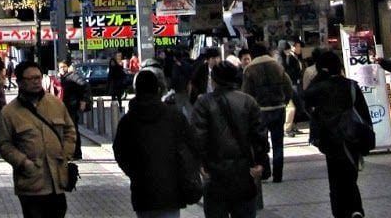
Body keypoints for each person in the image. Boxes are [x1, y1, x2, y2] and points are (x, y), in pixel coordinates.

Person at [114, 69, 203, 218]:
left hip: (142, 191)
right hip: (171, 190)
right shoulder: (174, 116)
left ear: (136, 90)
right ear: (158, 89)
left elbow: (120, 152)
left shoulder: (128, 121)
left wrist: (134, 173)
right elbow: (192, 146)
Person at [0, 61, 77, 218]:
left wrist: (65, 154)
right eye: (30, 78)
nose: (35, 82)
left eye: (38, 77)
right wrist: (23, 162)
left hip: (57, 180)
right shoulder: (9, 112)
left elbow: (70, 130)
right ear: (19, 82)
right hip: (31, 184)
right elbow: (4, 144)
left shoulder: (55, 103)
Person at [191, 61, 269, 218]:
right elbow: (259, 134)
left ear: (214, 80)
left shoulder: (203, 103)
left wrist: (200, 164)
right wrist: (261, 162)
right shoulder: (248, 101)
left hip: (215, 174)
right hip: (244, 172)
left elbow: (198, 137)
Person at [304, 49, 372, 218]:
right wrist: (366, 141)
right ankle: (356, 210)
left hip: (331, 141)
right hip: (352, 139)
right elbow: (364, 115)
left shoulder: (319, 89)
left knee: (335, 182)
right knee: (350, 178)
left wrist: (319, 77)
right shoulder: (351, 86)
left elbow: (305, 98)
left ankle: (341, 213)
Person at [241, 42, 294, 183]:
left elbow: (246, 93)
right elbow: (288, 87)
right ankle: (278, 175)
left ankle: (265, 172)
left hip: (260, 112)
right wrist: (284, 101)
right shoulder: (277, 66)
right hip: (278, 109)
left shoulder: (249, 70)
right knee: (278, 143)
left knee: (260, 144)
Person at [56, 59, 88, 159]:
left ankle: (76, 153)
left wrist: (83, 100)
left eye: (64, 67)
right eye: (60, 67)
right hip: (64, 106)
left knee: (73, 129)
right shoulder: (63, 77)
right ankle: (70, 152)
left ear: (68, 67)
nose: (62, 69)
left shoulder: (73, 76)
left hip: (72, 106)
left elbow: (84, 85)